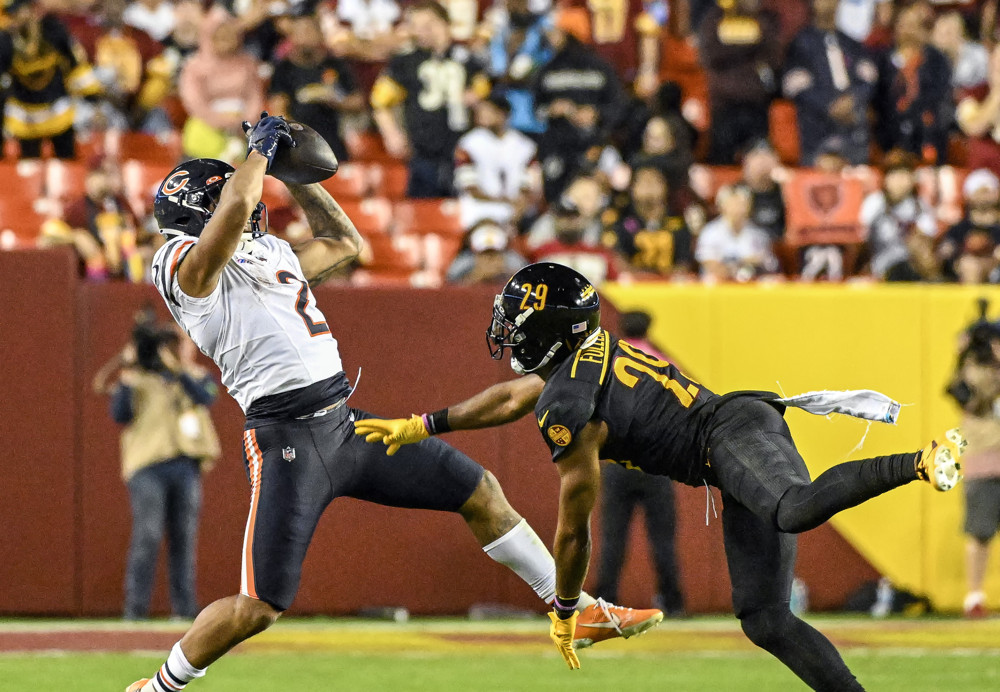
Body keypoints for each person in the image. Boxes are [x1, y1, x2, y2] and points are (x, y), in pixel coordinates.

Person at [125, 114, 660, 692]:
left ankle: (573, 609)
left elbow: (345, 243)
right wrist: (257, 156)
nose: (252, 204)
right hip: (287, 440)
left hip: (344, 423)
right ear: (198, 206)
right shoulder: (177, 262)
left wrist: (293, 173)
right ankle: (157, 687)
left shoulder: (266, 252)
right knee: (259, 605)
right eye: (234, 193)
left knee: (478, 490)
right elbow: (226, 224)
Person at [354, 261, 966, 688]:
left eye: (517, 322)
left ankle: (919, 461)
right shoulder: (577, 363)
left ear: (548, 332)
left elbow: (573, 529)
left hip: (732, 433)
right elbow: (511, 397)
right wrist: (426, 424)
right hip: (729, 441)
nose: (506, 332)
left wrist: (566, 604)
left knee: (792, 507)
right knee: (764, 618)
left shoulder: (568, 407)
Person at [94, 313, 220, 621]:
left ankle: (185, 609)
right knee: (147, 535)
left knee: (183, 538)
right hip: (147, 466)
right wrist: (127, 367)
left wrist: (177, 369)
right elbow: (120, 415)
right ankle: (135, 611)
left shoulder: (197, 376)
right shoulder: (137, 379)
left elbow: (206, 398)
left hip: (185, 465)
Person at [593, 311, 685, 616]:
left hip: (618, 461)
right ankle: (673, 603)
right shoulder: (664, 364)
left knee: (612, 539)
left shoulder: (606, 363)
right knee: (663, 539)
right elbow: (680, 410)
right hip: (654, 462)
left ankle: (604, 602)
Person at [371, 0, 489, 197]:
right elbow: (380, 100)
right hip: (424, 150)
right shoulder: (407, 61)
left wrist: (476, 99)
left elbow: (486, 92)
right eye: (415, 27)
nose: (421, 32)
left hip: (464, 150)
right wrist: (391, 133)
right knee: (422, 207)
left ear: (444, 23)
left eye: (427, 25)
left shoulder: (467, 58)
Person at [946, 304, 1000, 618]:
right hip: (983, 459)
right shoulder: (972, 370)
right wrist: (963, 353)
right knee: (980, 531)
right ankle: (974, 595)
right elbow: (965, 393)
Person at [783, 0, 878, 165]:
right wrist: (828, 105)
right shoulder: (801, 43)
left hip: (852, 128)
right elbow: (794, 84)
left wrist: (853, 99)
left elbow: (869, 77)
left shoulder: (851, 43)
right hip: (818, 130)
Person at [267, 12, 363, 163]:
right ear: (291, 37)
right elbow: (279, 109)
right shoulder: (284, 69)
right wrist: (294, 135)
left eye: (309, 31)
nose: (305, 38)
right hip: (298, 143)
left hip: (333, 140)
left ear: (320, 34)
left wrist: (335, 100)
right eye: (299, 33)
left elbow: (357, 102)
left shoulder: (336, 65)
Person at [696, 184, 779, 282]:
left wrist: (742, 266)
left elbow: (766, 265)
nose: (738, 209)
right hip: (717, 287)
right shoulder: (710, 232)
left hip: (750, 285)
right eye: (733, 204)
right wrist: (741, 264)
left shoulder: (758, 234)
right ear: (722, 206)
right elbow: (710, 264)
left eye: (742, 204)